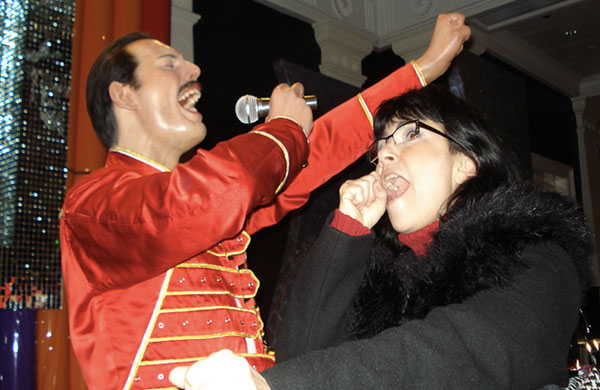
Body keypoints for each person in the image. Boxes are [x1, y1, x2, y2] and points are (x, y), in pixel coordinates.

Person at [60, 14, 470, 390]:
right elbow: (214, 192)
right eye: (168, 64)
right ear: (124, 95)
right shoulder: (93, 206)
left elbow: (317, 152)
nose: (194, 71)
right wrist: (284, 128)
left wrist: (424, 68)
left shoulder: (203, 201)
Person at [169, 85, 592, 390]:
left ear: (466, 162)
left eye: (412, 134)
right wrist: (347, 229)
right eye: (382, 144)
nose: (385, 153)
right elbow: (302, 353)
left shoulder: (532, 246)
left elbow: (466, 350)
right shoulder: (389, 277)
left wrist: (275, 388)